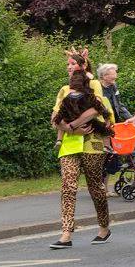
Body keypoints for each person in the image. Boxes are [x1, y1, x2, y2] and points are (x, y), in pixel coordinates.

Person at [49, 52, 114, 248]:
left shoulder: (93, 85)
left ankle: (104, 227)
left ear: (82, 66)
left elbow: (96, 109)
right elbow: (54, 120)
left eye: (72, 64)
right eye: (67, 65)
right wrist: (69, 128)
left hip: (91, 142)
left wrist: (75, 123)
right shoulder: (63, 90)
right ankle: (66, 234)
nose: (68, 67)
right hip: (69, 145)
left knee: (96, 188)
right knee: (68, 188)